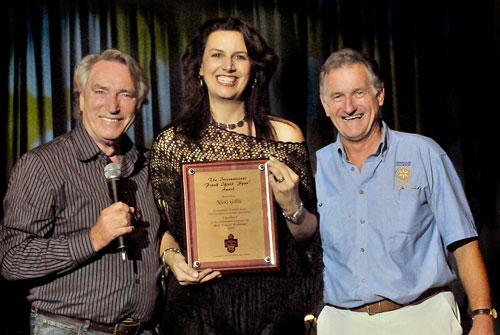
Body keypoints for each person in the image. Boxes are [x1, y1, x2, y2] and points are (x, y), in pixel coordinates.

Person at [149, 17, 323, 334]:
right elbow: (161, 228)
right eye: (217, 55)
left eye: (239, 56)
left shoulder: (285, 137)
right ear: (199, 67)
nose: (227, 66)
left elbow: (308, 234)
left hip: (272, 312)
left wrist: (291, 203)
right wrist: (174, 261)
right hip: (197, 311)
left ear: (254, 68)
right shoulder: (173, 144)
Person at [315, 47, 496, 335]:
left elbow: (463, 242)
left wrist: (483, 317)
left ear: (380, 95)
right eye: (338, 96)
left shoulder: (424, 153)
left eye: (359, 93)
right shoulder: (316, 168)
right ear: (325, 105)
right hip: (342, 323)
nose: (348, 107)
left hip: (423, 318)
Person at [0, 49, 163, 335]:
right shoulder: (43, 165)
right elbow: (12, 260)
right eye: (101, 91)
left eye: (125, 94)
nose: (113, 106)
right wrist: (94, 238)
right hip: (69, 328)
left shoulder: (149, 165)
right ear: (81, 99)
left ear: (138, 104)